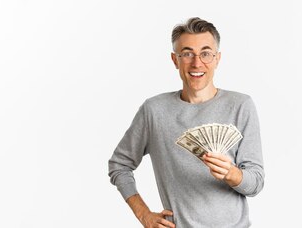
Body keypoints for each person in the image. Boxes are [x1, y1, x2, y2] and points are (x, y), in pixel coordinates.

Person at [108, 17, 264, 227]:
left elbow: (256, 183)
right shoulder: (154, 110)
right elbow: (119, 165)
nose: (197, 63)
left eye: (206, 54)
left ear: (217, 59)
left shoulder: (241, 105)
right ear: (175, 60)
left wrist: (232, 174)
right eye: (188, 54)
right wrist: (144, 214)